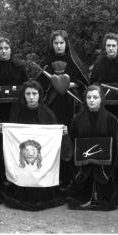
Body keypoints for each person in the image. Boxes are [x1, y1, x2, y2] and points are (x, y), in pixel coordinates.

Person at [0, 80, 69, 211]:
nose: (31, 97)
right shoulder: (17, 113)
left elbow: (53, 140)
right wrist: (3, 130)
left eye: (34, 93)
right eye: (28, 94)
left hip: (41, 161)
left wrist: (62, 132)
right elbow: (12, 137)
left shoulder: (48, 114)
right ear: (23, 95)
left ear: (40, 95)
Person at [37, 30, 89, 188]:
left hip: (71, 106)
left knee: (70, 137)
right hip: (52, 107)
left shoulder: (74, 61)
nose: (59, 46)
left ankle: (71, 177)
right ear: (52, 45)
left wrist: (70, 84)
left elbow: (85, 81)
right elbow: (39, 85)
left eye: (61, 43)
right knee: (54, 140)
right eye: (56, 43)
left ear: (66, 44)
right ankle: (54, 177)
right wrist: (52, 83)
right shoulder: (46, 62)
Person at [67, 85, 118, 211]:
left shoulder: (112, 120)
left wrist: (107, 171)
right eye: (89, 97)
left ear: (101, 99)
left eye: (95, 97)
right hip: (83, 169)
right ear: (85, 99)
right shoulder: (77, 120)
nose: (92, 100)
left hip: (105, 169)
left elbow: (115, 147)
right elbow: (72, 146)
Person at [90, 33, 118, 178]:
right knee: (104, 140)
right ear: (105, 47)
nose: (110, 49)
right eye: (108, 46)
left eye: (113, 46)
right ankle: (103, 171)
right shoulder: (98, 64)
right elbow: (93, 85)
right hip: (103, 112)